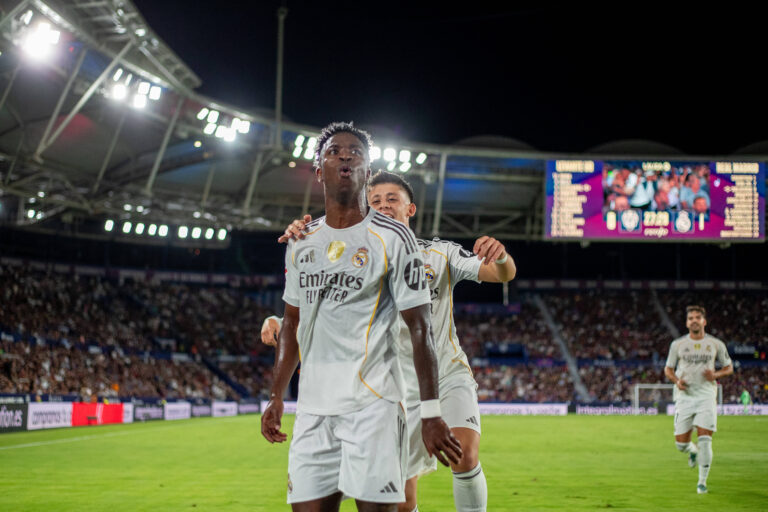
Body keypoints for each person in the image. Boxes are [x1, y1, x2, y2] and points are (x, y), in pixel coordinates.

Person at [273, 170, 516, 512]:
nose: (383, 206)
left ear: (410, 209)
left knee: (464, 453)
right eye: (375, 201)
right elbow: (317, 306)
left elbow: (501, 274)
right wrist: (276, 320)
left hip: (445, 375)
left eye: (392, 200)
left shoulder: (439, 254)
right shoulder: (354, 258)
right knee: (402, 500)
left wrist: (501, 256)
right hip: (393, 389)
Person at [260, 122, 461, 512]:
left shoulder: (393, 237)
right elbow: (292, 324)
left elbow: (420, 328)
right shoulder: (301, 242)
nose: (345, 155)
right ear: (319, 171)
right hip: (313, 412)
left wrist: (432, 412)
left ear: (367, 172)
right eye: (334, 151)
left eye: (356, 151)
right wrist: (276, 397)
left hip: (375, 409)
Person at [664, 305, 733, 494]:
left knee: (705, 440)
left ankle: (702, 483)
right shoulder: (677, 345)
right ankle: (691, 450)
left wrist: (716, 375)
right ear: (687, 323)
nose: (694, 320)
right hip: (684, 397)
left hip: (706, 397)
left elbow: (729, 367)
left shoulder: (716, 344)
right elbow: (668, 369)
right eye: (690, 318)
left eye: (697, 317)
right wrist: (677, 381)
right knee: (680, 444)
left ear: (704, 321)